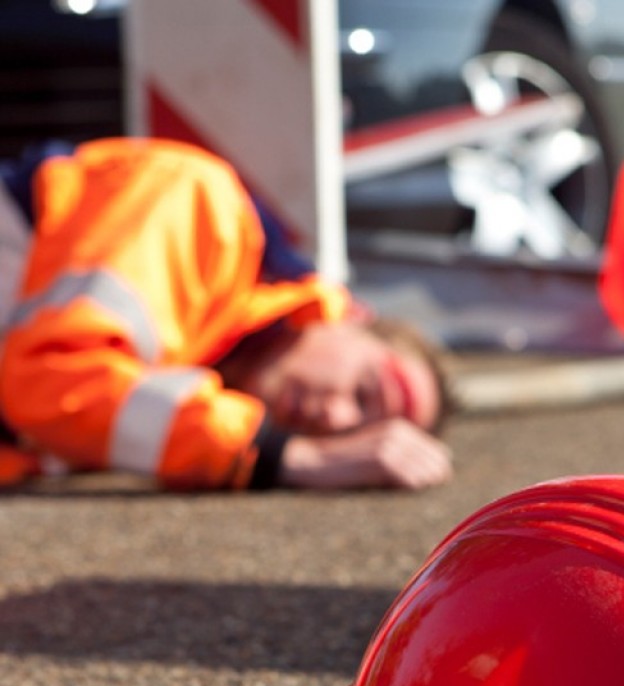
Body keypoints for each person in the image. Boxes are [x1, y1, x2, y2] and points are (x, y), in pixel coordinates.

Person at [0, 137, 453, 492]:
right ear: (354, 315)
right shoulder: (202, 207)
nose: (334, 421)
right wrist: (275, 454)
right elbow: (48, 381)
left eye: (353, 434)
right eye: (362, 391)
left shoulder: (204, 372)